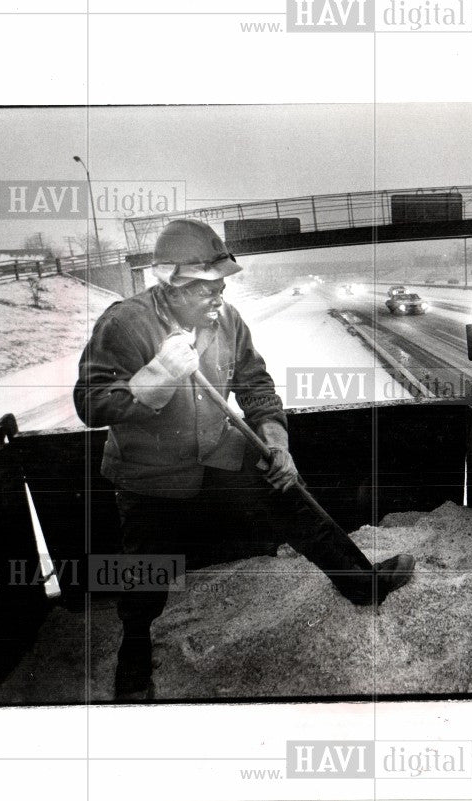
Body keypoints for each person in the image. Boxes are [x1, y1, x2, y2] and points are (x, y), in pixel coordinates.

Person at [74, 219, 414, 698]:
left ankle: (363, 583)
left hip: (218, 450)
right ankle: (134, 649)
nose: (218, 297)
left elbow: (255, 385)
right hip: (148, 471)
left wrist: (276, 441)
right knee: (146, 570)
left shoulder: (226, 320)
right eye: (204, 289)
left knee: (293, 499)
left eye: (222, 285)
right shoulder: (125, 322)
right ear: (168, 285)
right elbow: (89, 403)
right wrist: (155, 376)